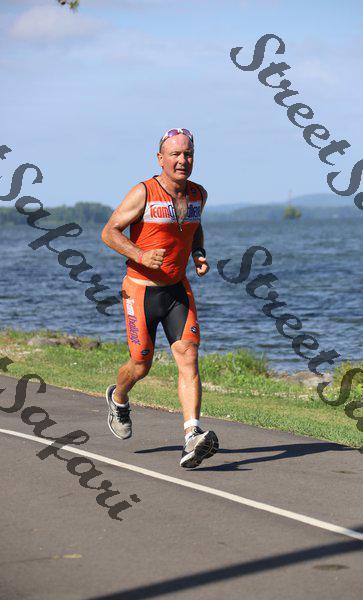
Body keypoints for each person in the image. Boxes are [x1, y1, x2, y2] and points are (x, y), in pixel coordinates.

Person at [101, 128, 219, 468]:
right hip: (140, 290)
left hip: (176, 289)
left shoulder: (198, 194)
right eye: (175, 154)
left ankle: (192, 434)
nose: (182, 160)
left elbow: (194, 227)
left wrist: (198, 253)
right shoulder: (144, 192)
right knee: (141, 364)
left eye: (188, 154)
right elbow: (109, 232)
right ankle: (118, 398)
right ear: (160, 158)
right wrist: (140, 254)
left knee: (189, 355)